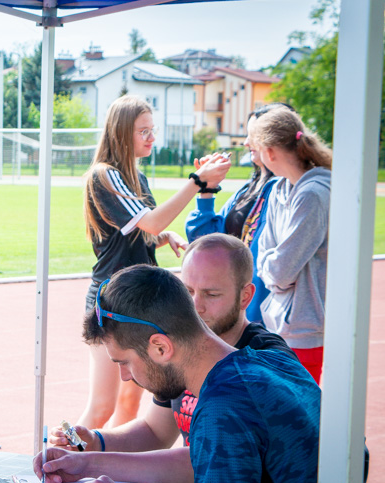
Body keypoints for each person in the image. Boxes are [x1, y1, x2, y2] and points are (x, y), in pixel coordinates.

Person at [37, 264, 320, 483]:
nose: (125, 376)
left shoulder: (223, 409)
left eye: (125, 362)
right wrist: (88, 464)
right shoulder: (270, 360)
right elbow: (203, 462)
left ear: (160, 346)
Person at [80, 95, 230, 430]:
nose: (151, 138)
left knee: (130, 402)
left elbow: (142, 230)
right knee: (102, 406)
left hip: (136, 300)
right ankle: (57, 465)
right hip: (111, 299)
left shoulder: (136, 177)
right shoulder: (104, 176)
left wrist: (164, 237)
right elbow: (150, 222)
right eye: (143, 131)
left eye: (152, 130)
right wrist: (197, 181)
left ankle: (112, 471)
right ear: (121, 133)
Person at [185, 104, 293, 323]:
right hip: (232, 313)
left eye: (253, 135)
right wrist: (207, 190)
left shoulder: (289, 190)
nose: (245, 142)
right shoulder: (248, 189)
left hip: (265, 316)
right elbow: (206, 243)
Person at [253, 106, 332, 383]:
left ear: (270, 152)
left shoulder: (313, 195)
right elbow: (264, 254)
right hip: (278, 324)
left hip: (305, 330)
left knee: (298, 416)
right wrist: (274, 270)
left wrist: (274, 271)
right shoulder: (278, 189)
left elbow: (281, 270)